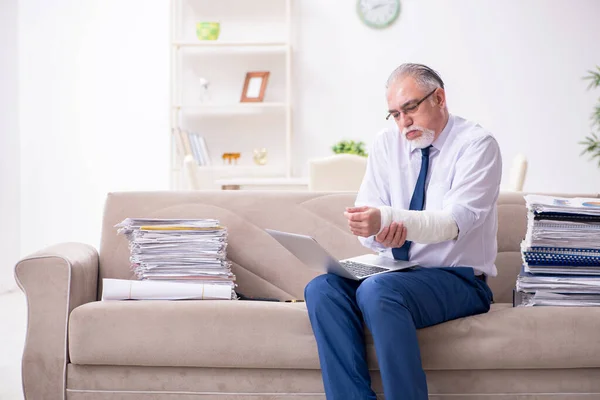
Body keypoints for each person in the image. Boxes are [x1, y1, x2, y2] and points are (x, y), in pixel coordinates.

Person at [304, 63, 502, 400]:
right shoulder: (386, 144)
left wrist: (389, 219)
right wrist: (375, 232)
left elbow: (451, 223)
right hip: (395, 271)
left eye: (410, 108)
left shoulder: (477, 145)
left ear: (439, 98)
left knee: (377, 292)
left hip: (458, 279)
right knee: (321, 288)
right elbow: (370, 221)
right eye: (395, 114)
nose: (403, 122)